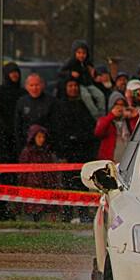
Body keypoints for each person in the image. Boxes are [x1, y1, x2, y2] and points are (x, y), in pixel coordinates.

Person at [54, 76, 98, 223]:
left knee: (82, 184)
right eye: (70, 86)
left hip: (82, 153)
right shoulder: (60, 106)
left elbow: (90, 128)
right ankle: (67, 214)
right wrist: (63, 151)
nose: (73, 88)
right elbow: (58, 132)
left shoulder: (82, 105)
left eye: (75, 85)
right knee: (67, 185)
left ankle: (83, 213)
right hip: (68, 154)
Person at [17, 124, 61, 221]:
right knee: (32, 211)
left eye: (43, 137)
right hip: (31, 186)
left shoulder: (46, 152)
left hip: (44, 186)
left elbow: (51, 172)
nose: (42, 139)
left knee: (42, 212)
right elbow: (22, 173)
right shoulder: (27, 152)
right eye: (39, 137)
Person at [58, 39, 106, 119]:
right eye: (79, 53)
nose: (81, 55)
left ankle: (102, 115)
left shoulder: (88, 62)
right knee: (86, 97)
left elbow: (94, 71)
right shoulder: (71, 62)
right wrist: (71, 73)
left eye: (84, 53)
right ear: (74, 53)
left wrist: (96, 75)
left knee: (100, 95)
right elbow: (60, 72)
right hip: (79, 84)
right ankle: (96, 116)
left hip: (88, 83)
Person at [14, 73, 57, 150]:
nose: (34, 88)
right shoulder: (21, 102)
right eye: (31, 85)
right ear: (26, 87)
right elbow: (18, 126)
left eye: (37, 85)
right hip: (27, 146)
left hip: (47, 146)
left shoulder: (51, 102)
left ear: (42, 85)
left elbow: (56, 126)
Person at [94, 91, 136, 162]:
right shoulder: (105, 120)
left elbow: (138, 133)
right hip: (110, 161)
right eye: (116, 104)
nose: (119, 107)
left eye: (122, 105)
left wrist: (135, 117)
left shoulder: (128, 121)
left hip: (128, 161)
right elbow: (98, 132)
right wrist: (111, 115)